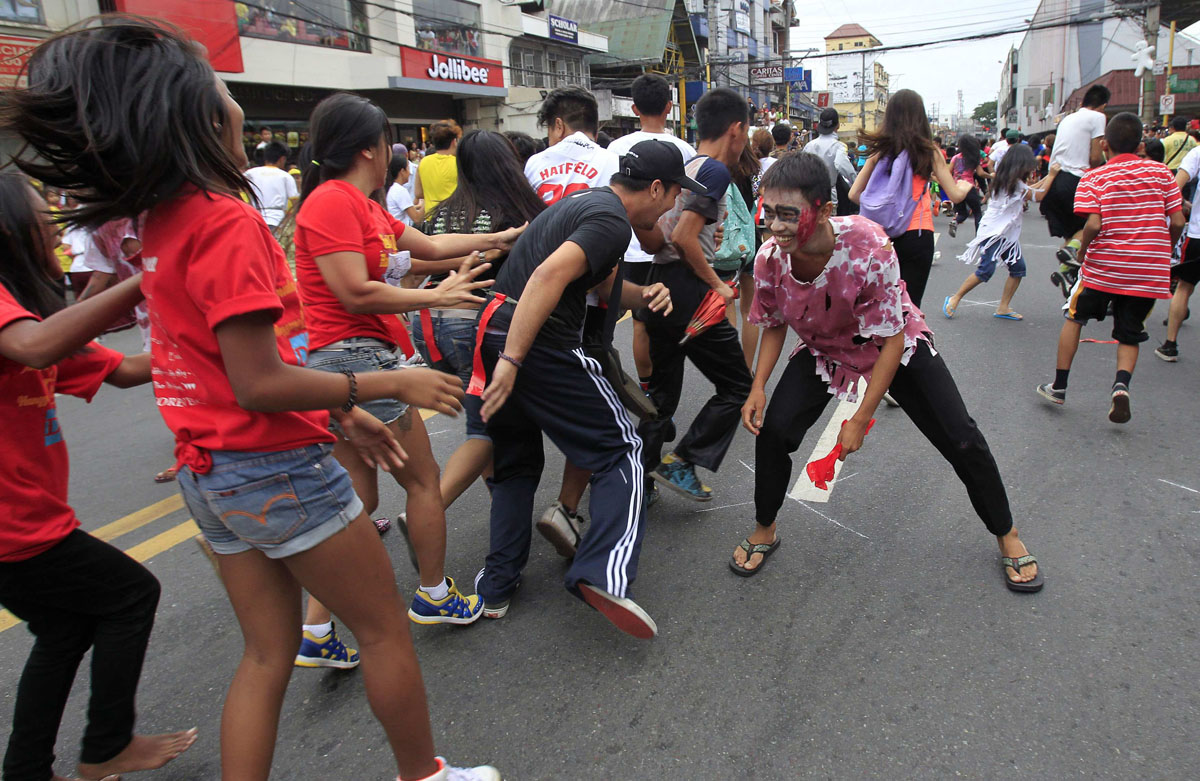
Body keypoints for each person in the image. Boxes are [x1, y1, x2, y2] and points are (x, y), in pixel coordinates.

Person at [4, 18, 502, 780]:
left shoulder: (161, 219)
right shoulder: (224, 219)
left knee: (268, 652)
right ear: (201, 118)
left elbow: (214, 370)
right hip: (274, 468)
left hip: (211, 473)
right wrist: (387, 382)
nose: (239, 109)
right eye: (225, 94)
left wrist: (344, 411)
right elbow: (259, 382)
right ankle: (425, 775)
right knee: (381, 632)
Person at [729, 152, 1043, 593]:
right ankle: (766, 527)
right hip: (825, 347)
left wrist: (859, 419)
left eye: (788, 214)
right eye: (769, 213)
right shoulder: (769, 258)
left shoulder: (868, 245)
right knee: (775, 432)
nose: (776, 226)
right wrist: (758, 386)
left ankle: (1006, 533)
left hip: (893, 342)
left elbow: (891, 340)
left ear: (824, 210)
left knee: (962, 437)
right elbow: (776, 322)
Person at [295, 92, 526, 640]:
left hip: (353, 360)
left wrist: (497, 238)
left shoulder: (363, 205)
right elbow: (355, 292)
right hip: (356, 359)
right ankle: (434, 594)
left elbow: (426, 245)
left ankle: (317, 628)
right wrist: (437, 296)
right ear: (372, 149)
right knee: (423, 484)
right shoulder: (331, 202)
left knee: (359, 493)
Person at [0, 171, 199, 781]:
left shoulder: (31, 318)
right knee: (130, 595)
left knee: (64, 630)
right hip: (14, 526)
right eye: (43, 226)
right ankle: (107, 743)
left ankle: (27, 769)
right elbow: (35, 348)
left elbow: (121, 371)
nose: (57, 244)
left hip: (25, 517)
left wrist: (215, 353)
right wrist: (149, 275)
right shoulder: (20, 325)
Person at [471, 139, 691, 636]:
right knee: (622, 451)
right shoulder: (612, 221)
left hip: (495, 328)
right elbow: (549, 275)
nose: (674, 206)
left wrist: (645, 293)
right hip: (537, 342)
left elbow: (597, 284)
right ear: (655, 189)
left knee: (514, 465)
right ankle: (602, 573)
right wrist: (514, 359)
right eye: (674, 194)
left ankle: (496, 587)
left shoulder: (585, 203)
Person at [411, 130, 545, 521]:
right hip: (475, 327)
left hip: (428, 325)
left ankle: (498, 502)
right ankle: (428, 511)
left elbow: (409, 262)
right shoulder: (519, 212)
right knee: (485, 431)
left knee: (483, 420)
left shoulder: (442, 214)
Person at [635, 87, 754, 503]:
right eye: (746, 130)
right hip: (688, 293)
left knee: (663, 397)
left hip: (658, 283)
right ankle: (683, 460)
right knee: (738, 386)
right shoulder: (716, 172)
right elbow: (685, 237)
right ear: (736, 130)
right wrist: (718, 284)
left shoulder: (683, 165)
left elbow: (659, 241)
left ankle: (637, 480)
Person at [1037, 112, 1184, 424]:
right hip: (1147, 272)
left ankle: (1059, 387)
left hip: (1103, 268)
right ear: (1140, 142)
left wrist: (1084, 251)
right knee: (1130, 333)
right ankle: (1120, 386)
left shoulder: (1094, 178)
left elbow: (1092, 223)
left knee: (1074, 317)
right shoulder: (1162, 174)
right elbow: (1178, 221)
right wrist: (1164, 251)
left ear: (1105, 143)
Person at [522, 85, 622, 543]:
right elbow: (612, 244)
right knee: (592, 407)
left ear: (557, 124)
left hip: (528, 295)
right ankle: (567, 507)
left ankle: (510, 520)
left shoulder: (534, 164)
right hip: (584, 301)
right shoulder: (608, 163)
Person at [606, 74, 697, 390]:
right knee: (671, 324)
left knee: (640, 325)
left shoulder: (616, 148)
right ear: (669, 107)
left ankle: (648, 391)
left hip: (627, 250)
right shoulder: (685, 149)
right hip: (670, 250)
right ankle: (664, 394)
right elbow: (691, 205)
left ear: (634, 108)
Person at [848, 89, 971, 308]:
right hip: (917, 234)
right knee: (910, 308)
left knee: (880, 306)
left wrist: (882, 208)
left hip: (880, 238)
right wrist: (965, 185)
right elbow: (955, 195)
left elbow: (854, 194)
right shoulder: (927, 152)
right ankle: (909, 343)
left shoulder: (879, 151)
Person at [943, 146, 1060, 321]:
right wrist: (1051, 176)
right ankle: (955, 298)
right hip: (994, 233)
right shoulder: (1011, 183)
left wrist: (1046, 178)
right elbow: (1036, 196)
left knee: (1018, 269)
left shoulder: (1007, 179)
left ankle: (1003, 307)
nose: (1029, 170)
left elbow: (1031, 190)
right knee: (985, 271)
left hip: (1006, 234)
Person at [1041, 85, 1109, 270]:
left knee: (1071, 235)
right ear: (1103, 105)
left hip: (1054, 182)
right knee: (1096, 223)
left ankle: (1065, 274)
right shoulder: (1098, 117)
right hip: (1076, 181)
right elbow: (1095, 158)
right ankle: (1070, 254)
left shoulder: (1067, 119)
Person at [1156, 142, 1200, 361]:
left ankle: (1170, 344)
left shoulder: (1198, 153)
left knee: (1184, 287)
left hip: (1198, 234)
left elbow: (1174, 187)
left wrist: (1182, 204)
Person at [802, 108, 856, 213]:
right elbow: (842, 165)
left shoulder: (809, 146)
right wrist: (856, 183)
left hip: (809, 195)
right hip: (829, 195)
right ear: (838, 126)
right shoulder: (839, 146)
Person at [244, 139, 299, 233]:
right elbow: (295, 202)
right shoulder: (285, 176)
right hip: (277, 220)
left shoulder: (250, 173)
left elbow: (238, 190)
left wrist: (249, 206)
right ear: (282, 159)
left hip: (254, 219)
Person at [946, 134, 990, 238]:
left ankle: (955, 221)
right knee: (977, 212)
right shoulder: (973, 158)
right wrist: (991, 176)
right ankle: (979, 237)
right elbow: (980, 173)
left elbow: (948, 172)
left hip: (957, 188)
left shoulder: (955, 158)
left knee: (962, 213)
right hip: (969, 187)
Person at [415, 118, 461, 217]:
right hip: (454, 217)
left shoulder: (423, 162)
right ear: (454, 141)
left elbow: (418, 193)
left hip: (431, 218)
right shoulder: (458, 163)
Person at [386, 153, 424, 227]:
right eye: (408, 168)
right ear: (402, 171)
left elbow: (406, 207)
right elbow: (417, 219)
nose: (410, 173)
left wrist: (419, 206)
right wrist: (429, 199)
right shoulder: (400, 191)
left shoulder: (393, 188)